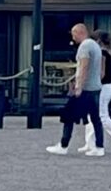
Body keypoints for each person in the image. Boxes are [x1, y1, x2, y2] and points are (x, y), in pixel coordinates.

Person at [45, 23, 107, 157]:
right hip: (95, 87)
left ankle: (63, 145)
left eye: (74, 34)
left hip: (85, 88)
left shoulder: (84, 46)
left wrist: (79, 86)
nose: (73, 38)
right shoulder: (95, 46)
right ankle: (99, 147)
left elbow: (83, 67)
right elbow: (100, 67)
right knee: (96, 118)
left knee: (68, 116)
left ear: (80, 32)